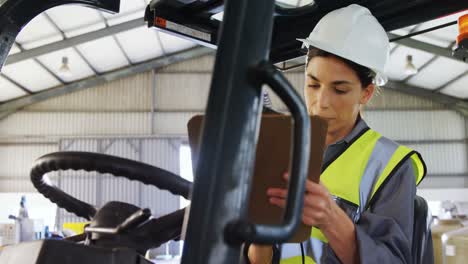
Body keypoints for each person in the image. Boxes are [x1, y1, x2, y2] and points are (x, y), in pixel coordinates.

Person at [246, 4, 427, 264]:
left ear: (366, 92)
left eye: (339, 90)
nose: (321, 102)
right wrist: (258, 231)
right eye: (313, 84)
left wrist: (331, 218)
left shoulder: (390, 166)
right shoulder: (279, 146)